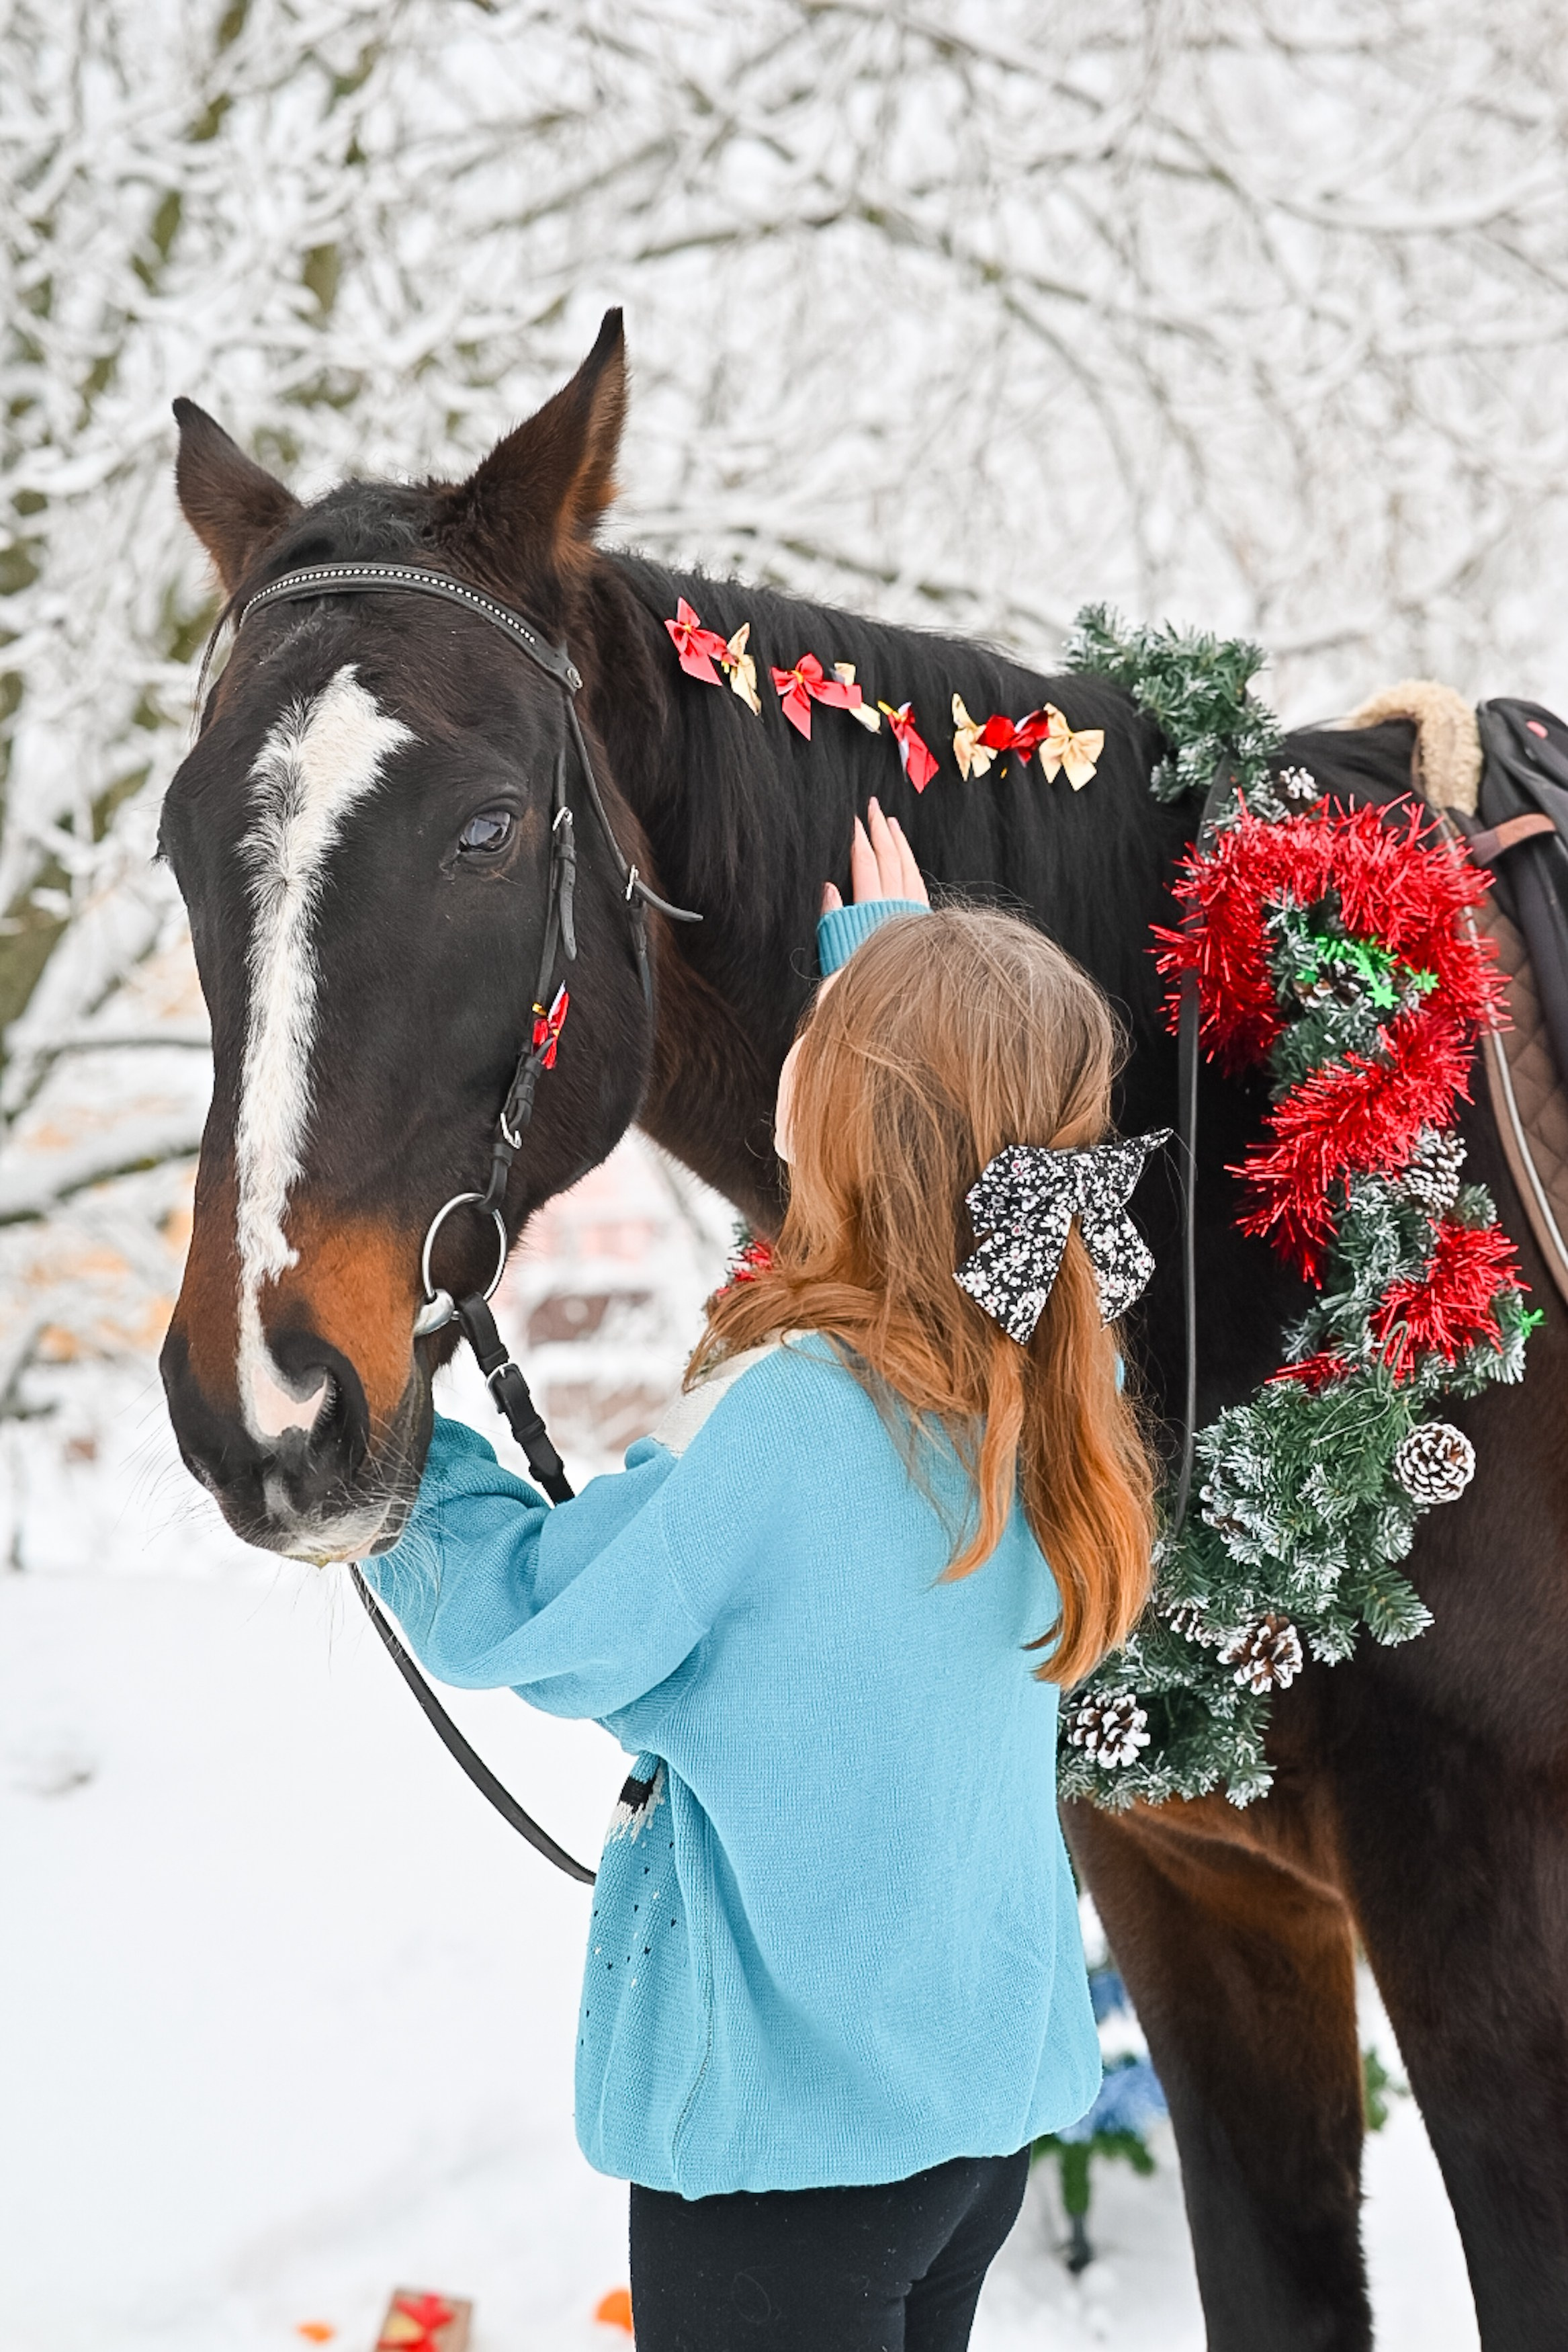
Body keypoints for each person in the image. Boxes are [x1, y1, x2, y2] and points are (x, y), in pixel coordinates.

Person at [362, 798, 1162, 2351]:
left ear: (854, 1112)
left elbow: (542, 1607)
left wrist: (386, 1458)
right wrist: (903, 972)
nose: (789, 1046)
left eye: (824, 1030)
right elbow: (939, 1172)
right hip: (963, 2121)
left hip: (794, 2162)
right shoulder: (1046, 1374)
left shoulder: (800, 1421)